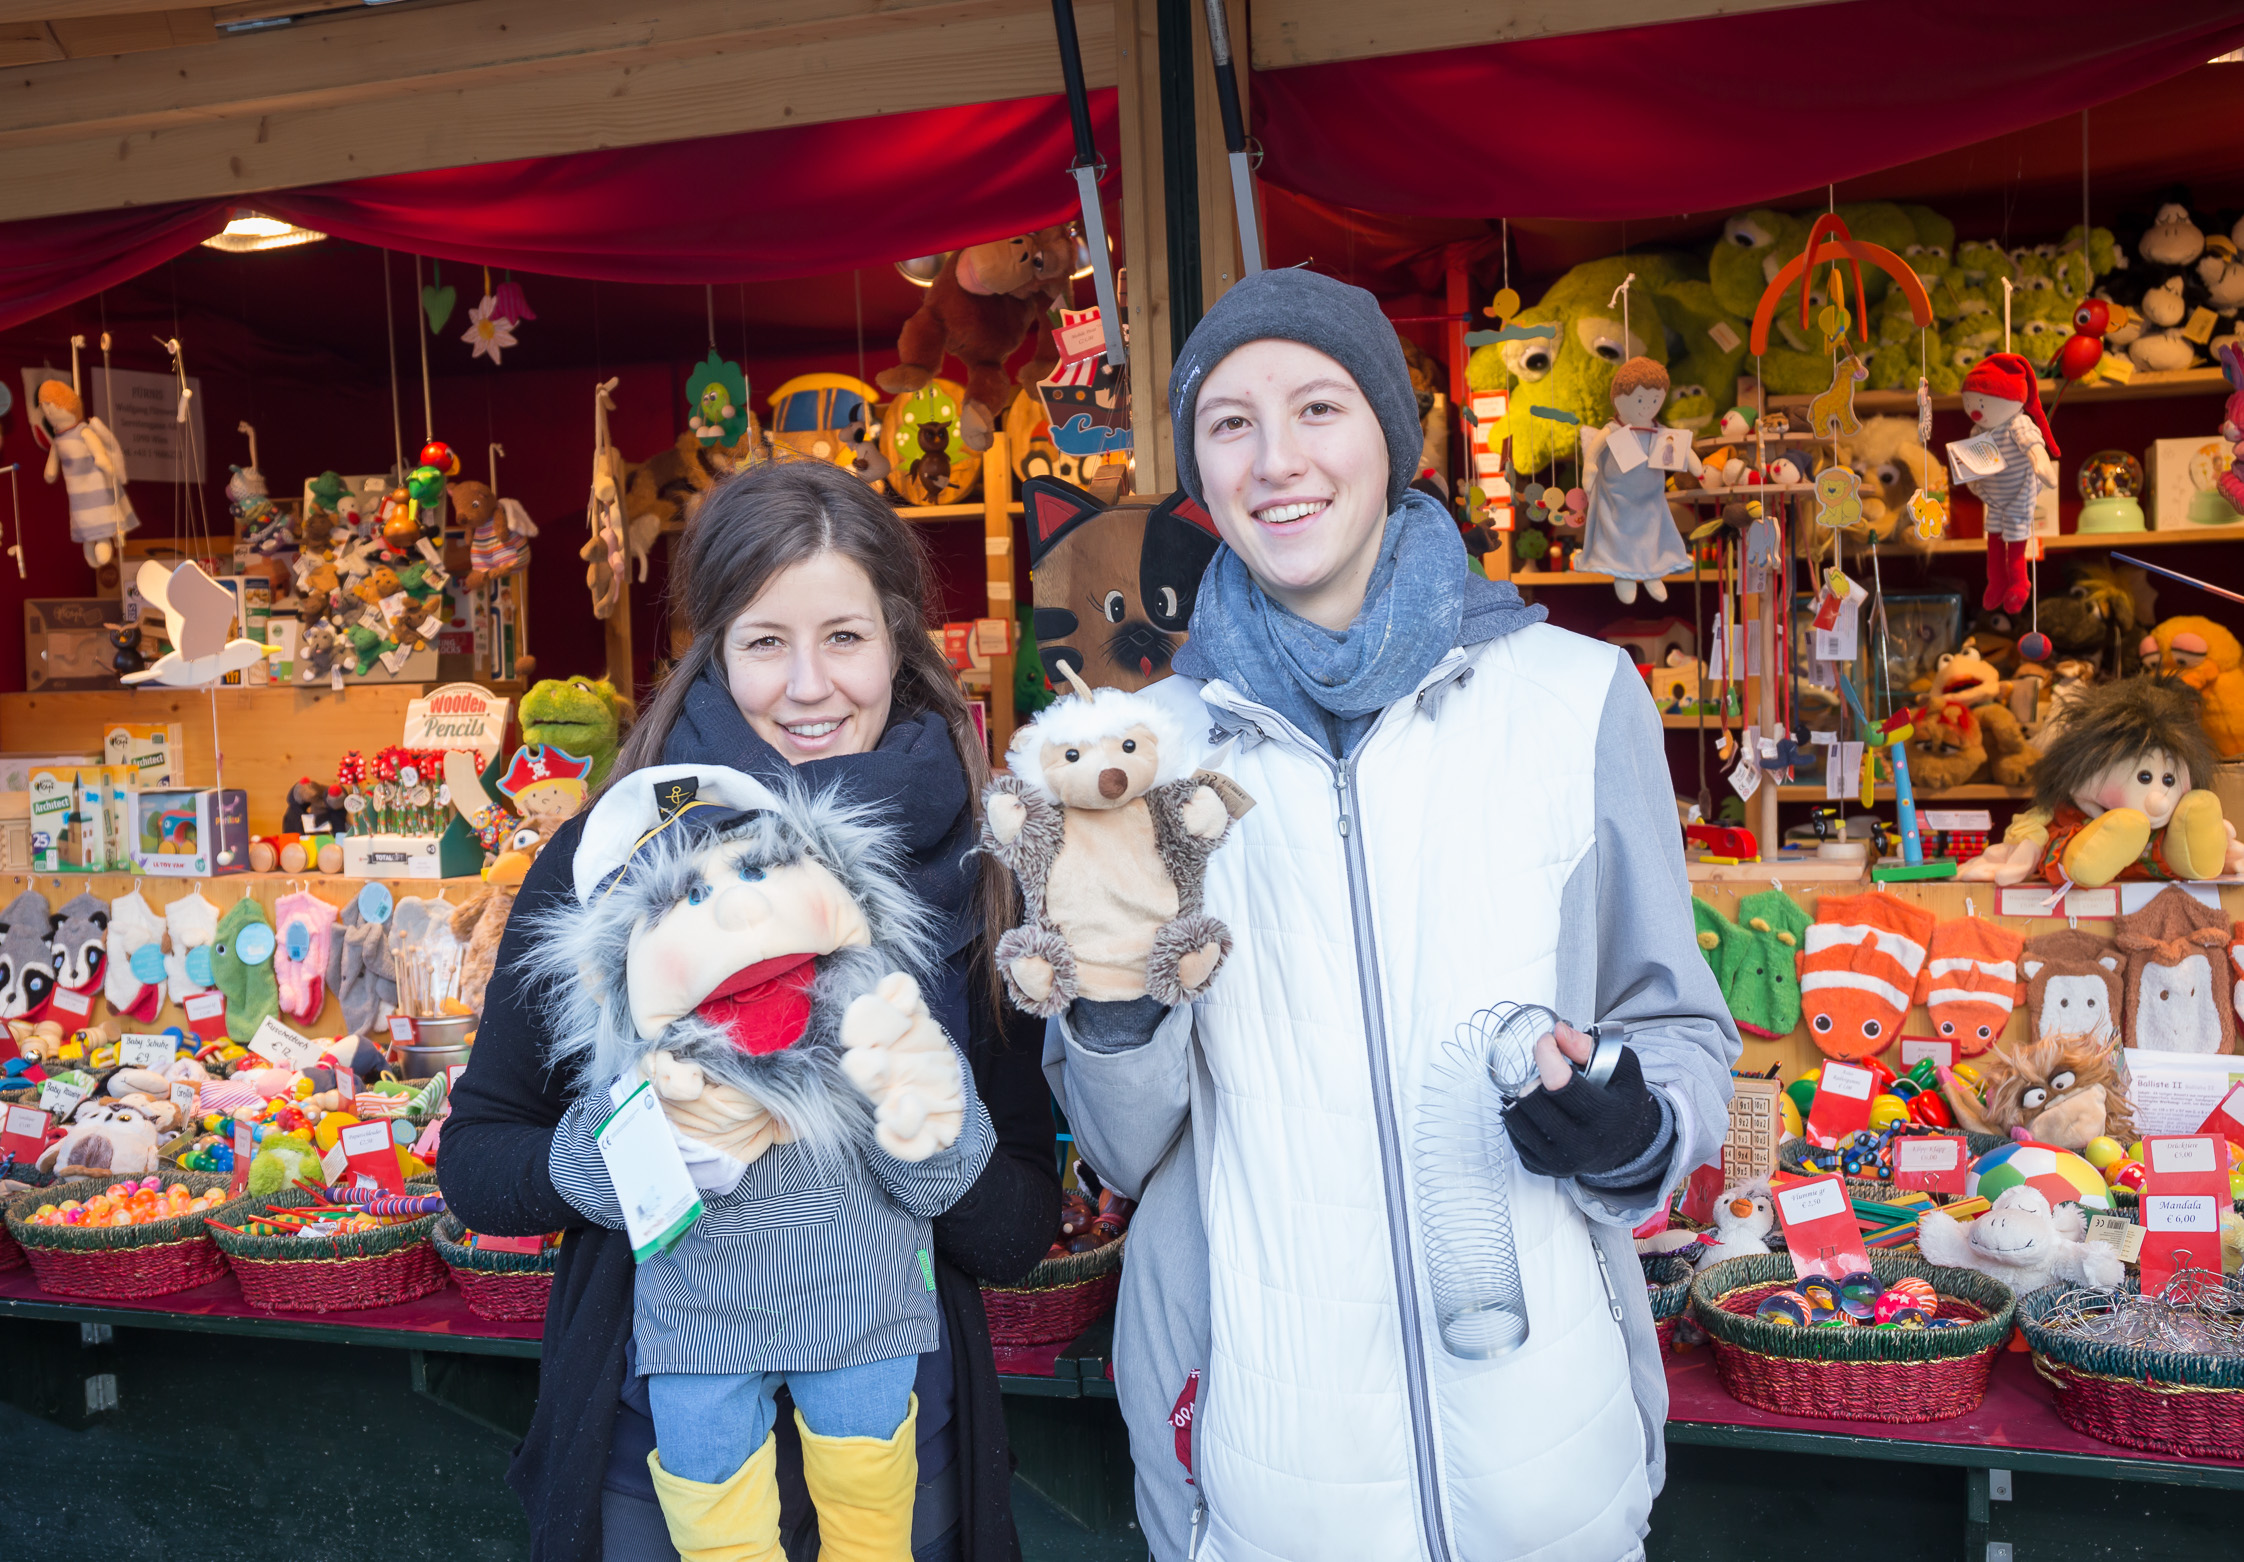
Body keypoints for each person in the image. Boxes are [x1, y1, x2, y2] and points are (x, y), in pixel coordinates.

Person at [1041, 268, 1739, 1562]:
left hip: (1549, 1458)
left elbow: (1672, 1015)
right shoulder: (1154, 757)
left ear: (1391, 435)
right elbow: (1131, 1145)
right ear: (1198, 463)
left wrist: (1631, 1115)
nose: (1278, 459)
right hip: (1272, 1464)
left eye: (1318, 407)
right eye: (1231, 423)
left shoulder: (1576, 698)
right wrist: (1114, 1002)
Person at [442, 459, 1059, 1562]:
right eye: (767, 640)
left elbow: (1018, 1226)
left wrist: (930, 1136)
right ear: (715, 654)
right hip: (658, 1461)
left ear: (898, 639)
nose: (810, 685)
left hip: (903, 1452)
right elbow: (481, 1160)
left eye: (845, 637)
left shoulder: (982, 867)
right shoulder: (611, 861)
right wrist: (631, 1152)